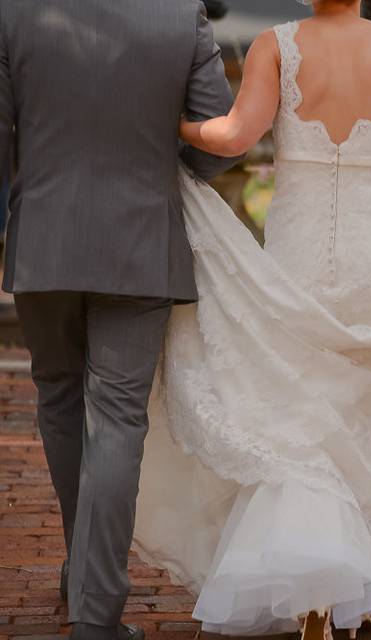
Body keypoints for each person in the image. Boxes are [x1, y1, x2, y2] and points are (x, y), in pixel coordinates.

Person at [132, 0, 371, 638]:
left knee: (301, 417)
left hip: (300, 249)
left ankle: (311, 581)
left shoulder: (275, 45)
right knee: (368, 413)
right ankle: (351, 581)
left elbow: (230, 138)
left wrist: (174, 126)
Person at [0, 2, 239, 640]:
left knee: (57, 397)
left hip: (44, 243)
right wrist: (161, 173)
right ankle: (94, 608)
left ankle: (86, 577)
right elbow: (220, 138)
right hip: (140, 240)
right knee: (117, 417)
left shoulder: (14, 13)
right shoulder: (180, 16)